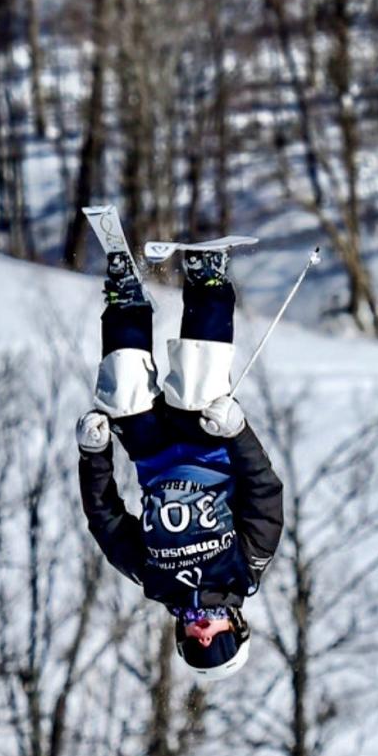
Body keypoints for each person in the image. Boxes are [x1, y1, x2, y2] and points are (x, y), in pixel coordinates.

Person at [77, 246, 283, 681]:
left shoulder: (154, 580)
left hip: (152, 454)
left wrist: (93, 457)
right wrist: (237, 431)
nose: (203, 632)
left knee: (123, 396)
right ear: (237, 627)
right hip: (207, 443)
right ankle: (207, 281)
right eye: (218, 638)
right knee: (197, 388)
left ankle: (126, 301)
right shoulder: (245, 566)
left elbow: (106, 522)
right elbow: (264, 490)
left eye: (195, 643)